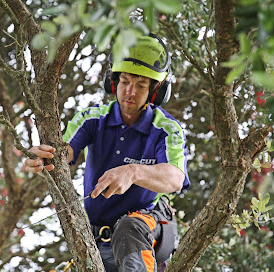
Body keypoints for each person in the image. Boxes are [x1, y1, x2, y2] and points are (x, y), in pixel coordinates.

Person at [24, 33, 190, 272]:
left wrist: (133, 172)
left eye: (141, 85)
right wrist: (44, 158)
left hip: (144, 230)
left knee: (129, 227)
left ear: (156, 90)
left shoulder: (166, 128)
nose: (130, 92)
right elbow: (64, 153)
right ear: (112, 82)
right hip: (94, 239)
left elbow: (176, 178)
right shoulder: (92, 118)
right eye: (124, 82)